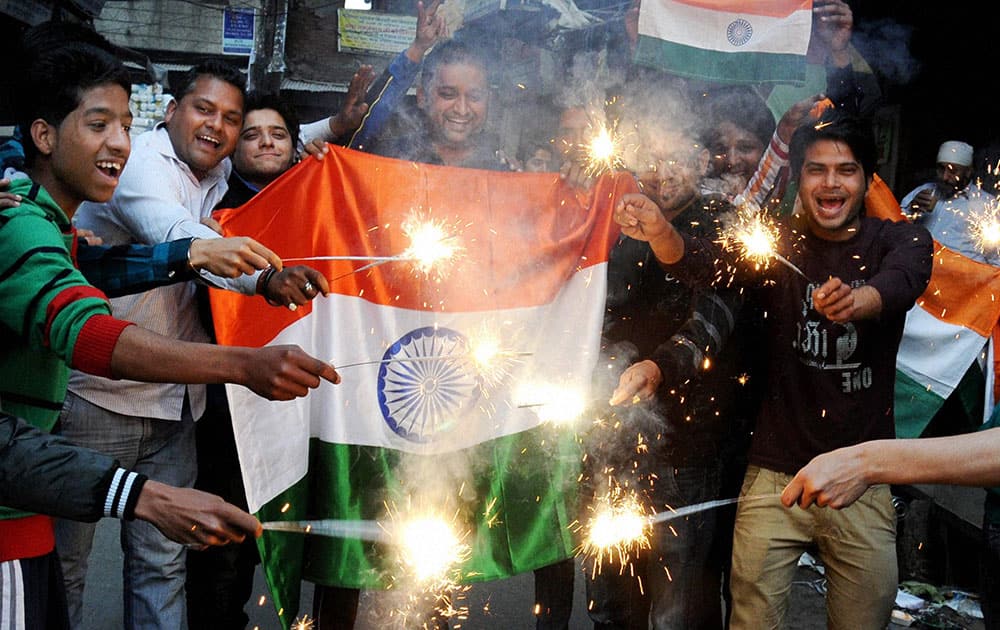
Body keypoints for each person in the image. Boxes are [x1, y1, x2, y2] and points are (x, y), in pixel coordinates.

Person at [0, 41, 339, 630]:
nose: (118, 145)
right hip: (23, 503)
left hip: (102, 452)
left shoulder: (48, 220)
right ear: (44, 136)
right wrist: (240, 363)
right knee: (66, 581)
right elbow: (88, 332)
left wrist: (235, 274)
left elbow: (106, 267)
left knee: (155, 571)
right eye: (98, 124)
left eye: (124, 126)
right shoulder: (21, 223)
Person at [613, 108, 934, 630]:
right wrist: (660, 232)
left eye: (846, 170)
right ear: (799, 178)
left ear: (867, 179)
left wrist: (860, 299)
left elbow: (905, 279)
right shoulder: (775, 243)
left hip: (865, 476)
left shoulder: (899, 240)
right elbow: (703, 263)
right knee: (750, 621)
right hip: (772, 476)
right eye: (816, 169)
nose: (831, 183)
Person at [585, 82, 760, 630]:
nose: (662, 172)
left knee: (678, 606)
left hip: (690, 447)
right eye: (650, 156)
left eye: (675, 155)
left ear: (700, 157)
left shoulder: (727, 222)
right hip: (611, 440)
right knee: (611, 599)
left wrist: (658, 366)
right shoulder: (618, 221)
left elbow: (714, 320)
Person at [185, 90, 302, 630]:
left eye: (278, 133)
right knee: (227, 532)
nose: (266, 142)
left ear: (295, 144)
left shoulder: (316, 196)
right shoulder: (212, 210)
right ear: (233, 150)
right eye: (251, 134)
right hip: (229, 395)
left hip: (301, 396)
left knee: (289, 526)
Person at [901, 140, 998, 264]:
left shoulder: (987, 205)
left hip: (962, 279)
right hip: (919, 271)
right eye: (941, 169)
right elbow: (893, 229)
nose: (945, 177)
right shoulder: (922, 192)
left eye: (953, 171)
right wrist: (911, 211)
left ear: (968, 172)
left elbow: (996, 259)